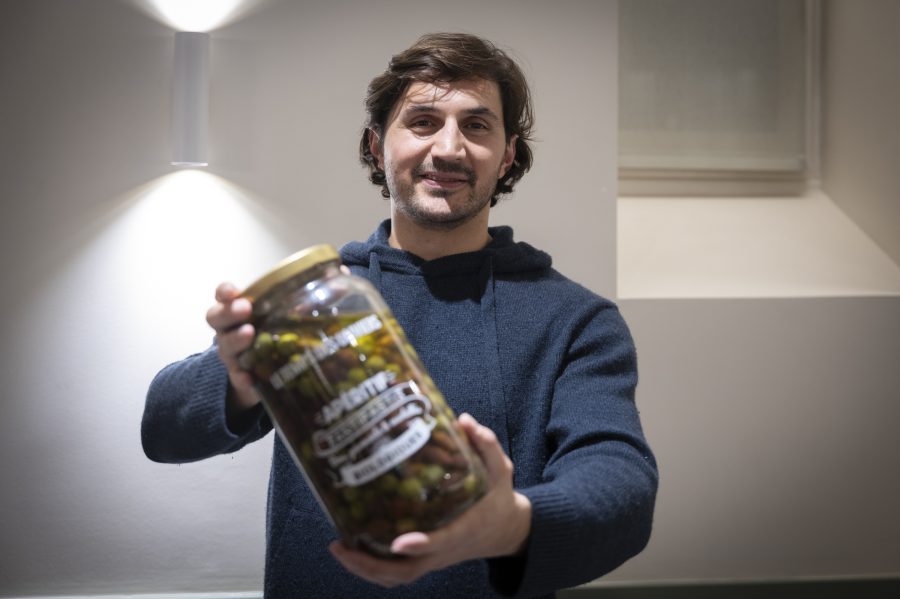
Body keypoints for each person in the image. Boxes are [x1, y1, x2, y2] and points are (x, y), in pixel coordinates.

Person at [142, 32, 658, 598]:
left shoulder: (576, 321)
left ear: (508, 154)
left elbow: (621, 486)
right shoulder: (314, 304)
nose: (449, 148)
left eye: (477, 126)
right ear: (376, 144)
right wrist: (234, 377)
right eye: (423, 122)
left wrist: (511, 525)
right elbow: (162, 432)